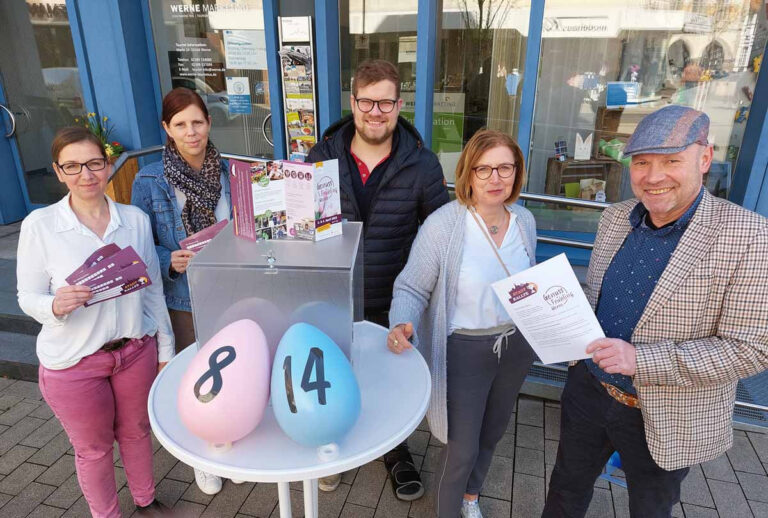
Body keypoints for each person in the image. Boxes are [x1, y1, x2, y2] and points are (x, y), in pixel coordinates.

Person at [542, 105, 768, 517]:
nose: (653, 175)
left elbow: (750, 349)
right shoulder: (614, 218)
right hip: (589, 393)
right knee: (564, 492)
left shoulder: (750, 235)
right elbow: (599, 296)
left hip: (666, 411)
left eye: (671, 161)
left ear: (704, 158)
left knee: (650, 508)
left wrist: (639, 359)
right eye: (642, 162)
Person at [307, 59, 449, 498]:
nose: (375, 111)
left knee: (389, 379)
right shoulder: (321, 158)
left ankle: (395, 450)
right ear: (353, 102)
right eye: (366, 101)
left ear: (399, 104)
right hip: (333, 295)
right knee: (332, 373)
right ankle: (333, 444)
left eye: (385, 102)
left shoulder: (423, 165)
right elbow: (302, 228)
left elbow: (439, 232)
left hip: (395, 297)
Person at [16, 127, 175, 517]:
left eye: (94, 164)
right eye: (72, 166)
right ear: (57, 171)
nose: (85, 175)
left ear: (107, 165)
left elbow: (152, 289)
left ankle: (146, 501)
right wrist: (54, 305)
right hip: (75, 362)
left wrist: (165, 350)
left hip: (134, 350)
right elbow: (26, 297)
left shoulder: (134, 220)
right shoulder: (41, 225)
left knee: (137, 433)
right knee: (94, 448)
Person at [388, 129, 537, 518]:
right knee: (461, 447)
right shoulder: (444, 225)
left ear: (517, 173)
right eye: (484, 169)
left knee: (493, 432)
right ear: (468, 174)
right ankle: (449, 510)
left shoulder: (524, 221)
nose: (495, 178)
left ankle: (470, 497)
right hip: (464, 350)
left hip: (515, 345)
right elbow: (412, 286)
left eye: (505, 168)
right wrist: (402, 322)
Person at [131, 87, 233, 496]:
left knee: (230, 371)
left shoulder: (230, 173)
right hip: (183, 299)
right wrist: (168, 258)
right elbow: (137, 249)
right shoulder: (149, 179)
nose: (191, 132)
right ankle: (201, 456)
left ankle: (229, 440)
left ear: (208, 123)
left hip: (231, 291)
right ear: (166, 129)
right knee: (196, 380)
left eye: (197, 122)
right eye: (180, 125)